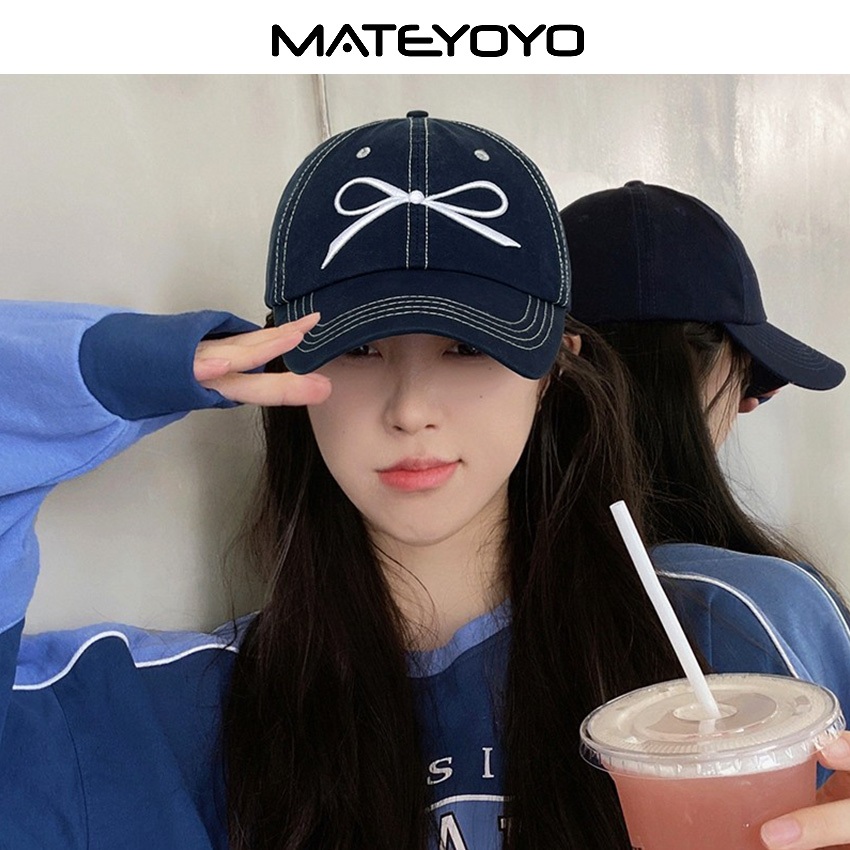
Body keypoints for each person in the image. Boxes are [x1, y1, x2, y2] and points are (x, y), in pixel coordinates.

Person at [560, 180, 850, 850]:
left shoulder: (461, 606)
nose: (748, 403)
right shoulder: (756, 607)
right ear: (722, 367)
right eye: (747, 373)